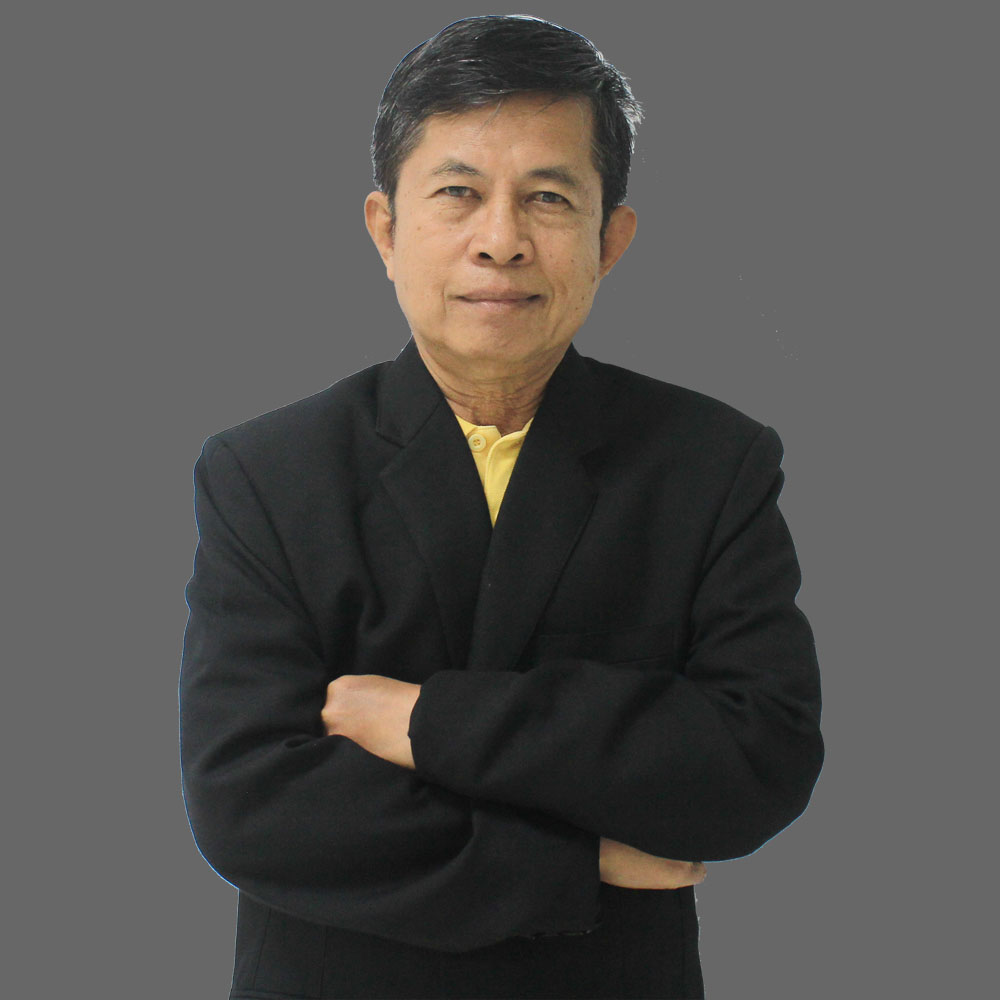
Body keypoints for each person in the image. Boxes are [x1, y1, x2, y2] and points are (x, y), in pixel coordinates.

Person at [180, 15, 823, 1000]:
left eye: (548, 198)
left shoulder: (711, 464)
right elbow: (251, 805)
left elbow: (754, 764)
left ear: (611, 239)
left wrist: (426, 719)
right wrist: (578, 861)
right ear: (385, 229)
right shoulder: (267, 472)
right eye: (458, 193)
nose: (501, 241)